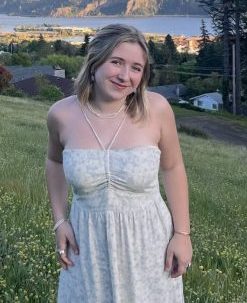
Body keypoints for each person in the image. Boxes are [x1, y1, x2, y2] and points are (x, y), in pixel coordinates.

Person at [46, 24, 192, 303]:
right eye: (116, 62)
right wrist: (60, 221)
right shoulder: (61, 114)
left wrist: (182, 234)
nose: (126, 76)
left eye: (136, 68)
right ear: (95, 62)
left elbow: (173, 168)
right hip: (86, 246)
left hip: (149, 244)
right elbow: (54, 162)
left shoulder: (158, 109)